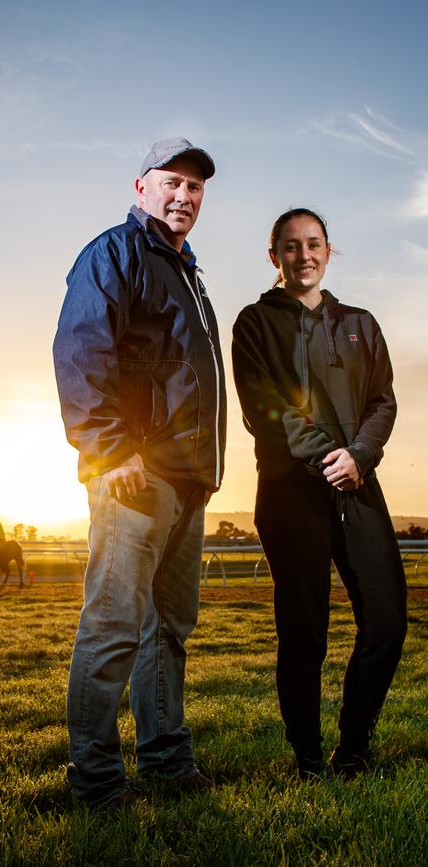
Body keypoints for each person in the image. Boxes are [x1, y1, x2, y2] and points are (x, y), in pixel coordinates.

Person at [53, 137, 226, 808]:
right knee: (113, 623)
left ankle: (165, 763)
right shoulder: (115, 253)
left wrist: (206, 471)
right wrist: (107, 448)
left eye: (196, 187)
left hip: (187, 476)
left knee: (168, 627)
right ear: (141, 186)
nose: (185, 195)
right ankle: (94, 781)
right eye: (173, 182)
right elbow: (81, 347)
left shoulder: (186, 270)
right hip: (134, 472)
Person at [232, 207, 407, 781]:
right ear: (273, 254)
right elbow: (265, 409)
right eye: (289, 245)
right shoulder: (254, 322)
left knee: (386, 622)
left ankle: (352, 748)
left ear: (329, 251)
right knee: (305, 631)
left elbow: (383, 401)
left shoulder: (360, 321)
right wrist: (325, 458)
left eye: (313, 244)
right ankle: (308, 759)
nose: (302, 255)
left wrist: (359, 456)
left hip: (359, 486)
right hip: (291, 495)